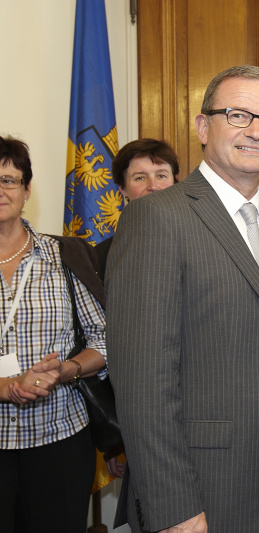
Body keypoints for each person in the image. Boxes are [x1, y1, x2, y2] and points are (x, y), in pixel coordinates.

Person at [106, 65, 259, 533]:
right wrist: (174, 507)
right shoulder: (157, 219)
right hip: (202, 492)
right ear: (203, 127)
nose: (255, 131)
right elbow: (143, 383)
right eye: (238, 114)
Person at [0, 135, 107, 532]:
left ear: (27, 190)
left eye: (9, 180)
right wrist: (7, 387)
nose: (0, 190)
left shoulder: (64, 255)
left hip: (59, 440)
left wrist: (69, 370)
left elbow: (105, 337)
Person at [94, 138, 180, 280]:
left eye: (161, 176)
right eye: (140, 178)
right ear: (123, 189)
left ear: (175, 182)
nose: (153, 186)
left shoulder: (201, 245)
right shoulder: (100, 258)